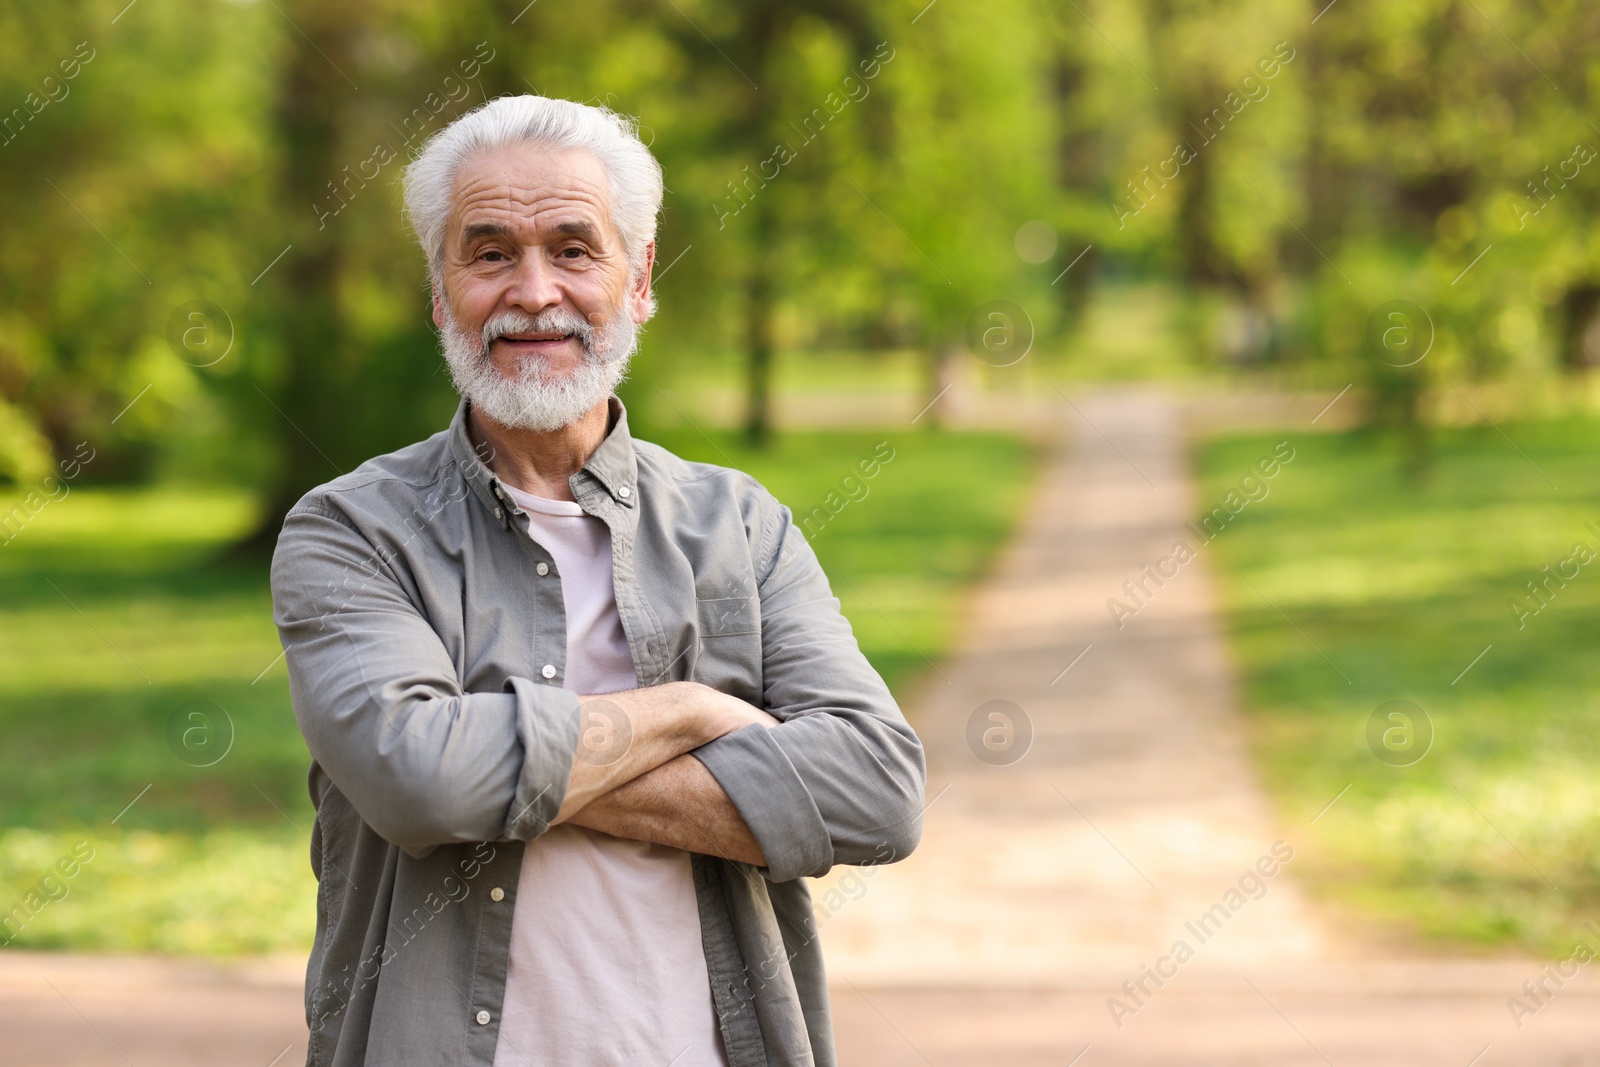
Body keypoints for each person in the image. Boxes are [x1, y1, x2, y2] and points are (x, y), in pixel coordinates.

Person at [269, 94, 926, 1067]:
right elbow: (418, 778)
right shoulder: (353, 530)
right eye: (489, 252)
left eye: (574, 249)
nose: (533, 292)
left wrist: (486, 756)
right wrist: (697, 709)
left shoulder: (737, 525)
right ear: (440, 290)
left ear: (640, 277)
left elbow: (876, 793)